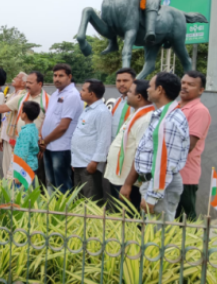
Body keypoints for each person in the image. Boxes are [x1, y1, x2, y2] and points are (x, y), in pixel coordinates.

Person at [135, 72, 189, 218]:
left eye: (150, 86)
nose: (147, 89)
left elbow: (165, 163)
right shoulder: (164, 115)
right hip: (156, 185)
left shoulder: (168, 121)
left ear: (160, 90)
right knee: (153, 234)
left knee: (158, 236)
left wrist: (152, 196)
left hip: (160, 188)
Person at [0, 71, 50, 187]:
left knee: (30, 182)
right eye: (27, 82)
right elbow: (4, 107)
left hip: (36, 149)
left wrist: (45, 143)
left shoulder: (48, 100)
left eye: (30, 83)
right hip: (23, 146)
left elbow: (52, 124)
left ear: (40, 84)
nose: (27, 85)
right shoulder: (21, 98)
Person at [107, 79, 154, 212]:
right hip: (121, 177)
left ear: (139, 96)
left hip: (129, 181)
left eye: (130, 92)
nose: (126, 94)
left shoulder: (146, 119)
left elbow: (141, 154)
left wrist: (128, 184)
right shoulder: (136, 114)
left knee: (128, 220)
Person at [39, 64, 83, 193]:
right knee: (51, 183)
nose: (57, 79)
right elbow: (48, 119)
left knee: (62, 185)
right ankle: (53, 212)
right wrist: (43, 140)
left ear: (69, 77)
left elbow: (63, 126)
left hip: (62, 147)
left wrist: (44, 141)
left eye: (61, 76)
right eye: (55, 75)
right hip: (48, 146)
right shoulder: (55, 95)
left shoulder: (72, 95)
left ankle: (64, 212)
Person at [176, 70, 211, 221]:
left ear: (201, 90)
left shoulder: (199, 111)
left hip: (185, 175)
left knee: (186, 220)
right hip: (171, 173)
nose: (184, 86)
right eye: (183, 83)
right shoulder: (175, 106)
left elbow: (188, 145)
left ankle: (194, 244)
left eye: (191, 85)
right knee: (172, 218)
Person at [71, 79, 112, 202]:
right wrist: (74, 160)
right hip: (79, 162)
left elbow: (103, 139)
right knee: (79, 200)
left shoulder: (102, 112)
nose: (80, 92)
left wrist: (94, 162)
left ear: (91, 94)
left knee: (91, 201)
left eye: (83, 90)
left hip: (89, 165)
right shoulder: (88, 109)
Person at [0, 72, 27, 178]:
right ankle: (6, 191)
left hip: (14, 137)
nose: (14, 78)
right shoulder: (10, 95)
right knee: (5, 167)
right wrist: (0, 137)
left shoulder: (23, 96)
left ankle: (12, 192)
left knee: (13, 170)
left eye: (17, 77)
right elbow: (4, 117)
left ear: (24, 83)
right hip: (6, 135)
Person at [12, 101, 41, 189]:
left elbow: (23, 153)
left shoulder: (25, 132)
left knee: (21, 196)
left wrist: (18, 175)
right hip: (32, 166)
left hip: (25, 169)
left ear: (24, 114)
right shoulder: (34, 129)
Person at [110, 68, 136, 138]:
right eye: (118, 81)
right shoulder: (117, 101)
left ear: (134, 81)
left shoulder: (138, 103)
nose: (121, 84)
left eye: (125, 80)